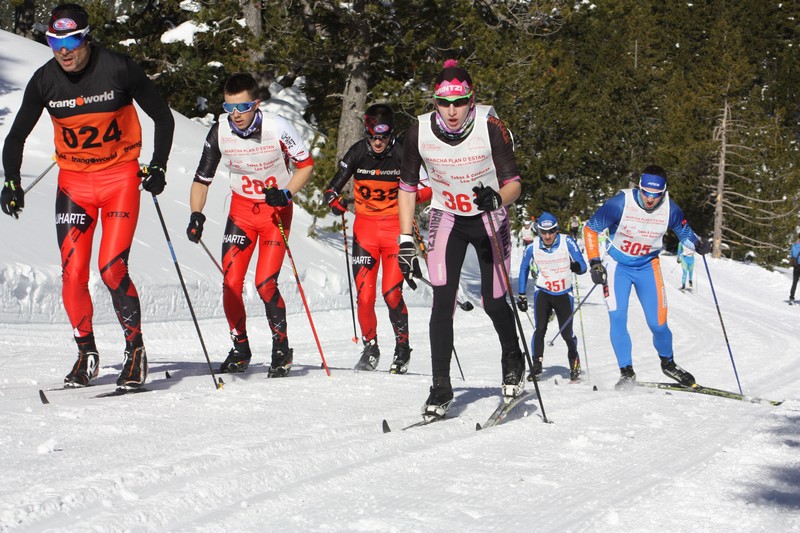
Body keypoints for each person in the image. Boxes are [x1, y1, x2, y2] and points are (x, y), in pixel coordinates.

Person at [1, 4, 174, 389]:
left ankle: (135, 351)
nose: (63, 51)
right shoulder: (44, 80)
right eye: (53, 42)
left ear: (87, 37)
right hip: (74, 185)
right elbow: (15, 137)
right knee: (72, 275)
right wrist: (11, 180)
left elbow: (163, 116)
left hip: (119, 181)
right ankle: (86, 352)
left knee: (112, 269)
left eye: (72, 41)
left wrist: (158, 165)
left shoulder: (118, 68)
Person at [396, 59, 525, 418]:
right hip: (447, 215)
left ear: (472, 99)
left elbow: (514, 182)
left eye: (460, 102)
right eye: (444, 103)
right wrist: (404, 238)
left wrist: (498, 197)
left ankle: (512, 360)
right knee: (442, 301)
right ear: (434, 101)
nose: (452, 112)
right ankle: (440, 386)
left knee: (494, 299)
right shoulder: (417, 131)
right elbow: (406, 187)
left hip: (487, 216)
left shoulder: (491, 126)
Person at [186, 73, 314, 377]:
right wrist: (196, 214)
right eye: (228, 108)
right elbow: (201, 180)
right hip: (241, 213)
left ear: (255, 104)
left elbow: (306, 166)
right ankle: (240, 347)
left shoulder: (278, 126)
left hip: (273, 215)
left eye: (241, 108)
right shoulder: (219, 131)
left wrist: (285, 193)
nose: (235, 115)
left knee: (265, 283)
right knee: (230, 283)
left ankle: (281, 347)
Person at [323, 104, 431, 373]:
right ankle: (370, 347)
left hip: (396, 231)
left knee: (392, 294)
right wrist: (332, 199)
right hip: (365, 233)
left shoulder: (402, 152)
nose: (378, 142)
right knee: (364, 296)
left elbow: (429, 187)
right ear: (367, 133)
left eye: (383, 136)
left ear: (391, 133)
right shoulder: (359, 150)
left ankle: (402, 347)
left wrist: (408, 197)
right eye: (373, 136)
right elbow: (333, 186)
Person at [583, 165, 712, 390]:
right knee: (618, 317)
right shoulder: (619, 203)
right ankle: (627, 372)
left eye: (656, 195)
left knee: (658, 323)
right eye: (646, 193)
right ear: (640, 187)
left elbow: (685, 234)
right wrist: (594, 262)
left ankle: (668, 363)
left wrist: (698, 244)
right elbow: (591, 229)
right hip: (617, 267)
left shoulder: (670, 209)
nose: (650, 199)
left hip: (647, 267)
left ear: (663, 192)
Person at [517, 212, 587, 381]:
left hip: (564, 294)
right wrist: (521, 294)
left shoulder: (567, 241)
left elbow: (583, 267)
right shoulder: (532, 246)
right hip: (543, 292)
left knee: (566, 334)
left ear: (556, 229)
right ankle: (537, 365)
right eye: (543, 232)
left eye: (551, 231)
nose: (547, 236)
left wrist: (576, 266)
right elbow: (523, 268)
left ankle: (574, 360)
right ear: (538, 231)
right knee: (540, 328)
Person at [789, 234, 800, 305]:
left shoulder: (794, 245)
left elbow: (791, 255)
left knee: (794, 283)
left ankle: (791, 298)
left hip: (795, 266)